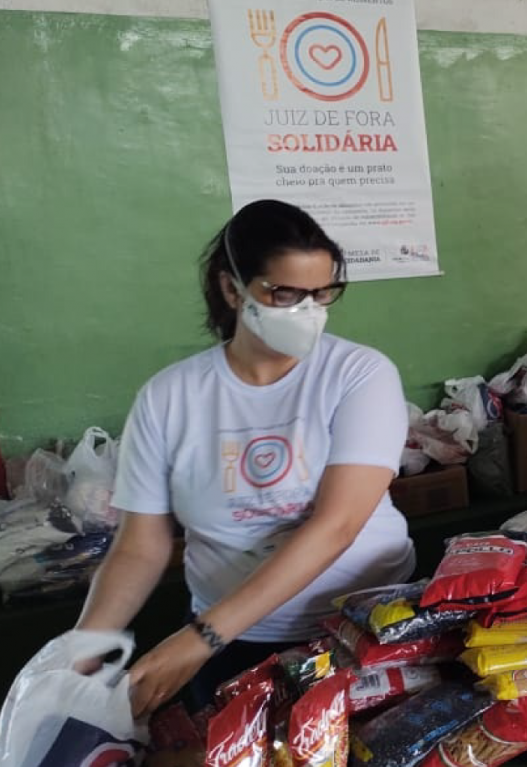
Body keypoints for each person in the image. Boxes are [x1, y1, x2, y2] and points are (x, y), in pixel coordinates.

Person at [74, 200, 415, 715]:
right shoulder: (170, 397)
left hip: (360, 629)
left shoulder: (358, 375)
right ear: (232, 289)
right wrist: (81, 651)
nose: (308, 311)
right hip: (233, 643)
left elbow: (336, 526)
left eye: (322, 293)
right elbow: (141, 546)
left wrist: (201, 638)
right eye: (284, 293)